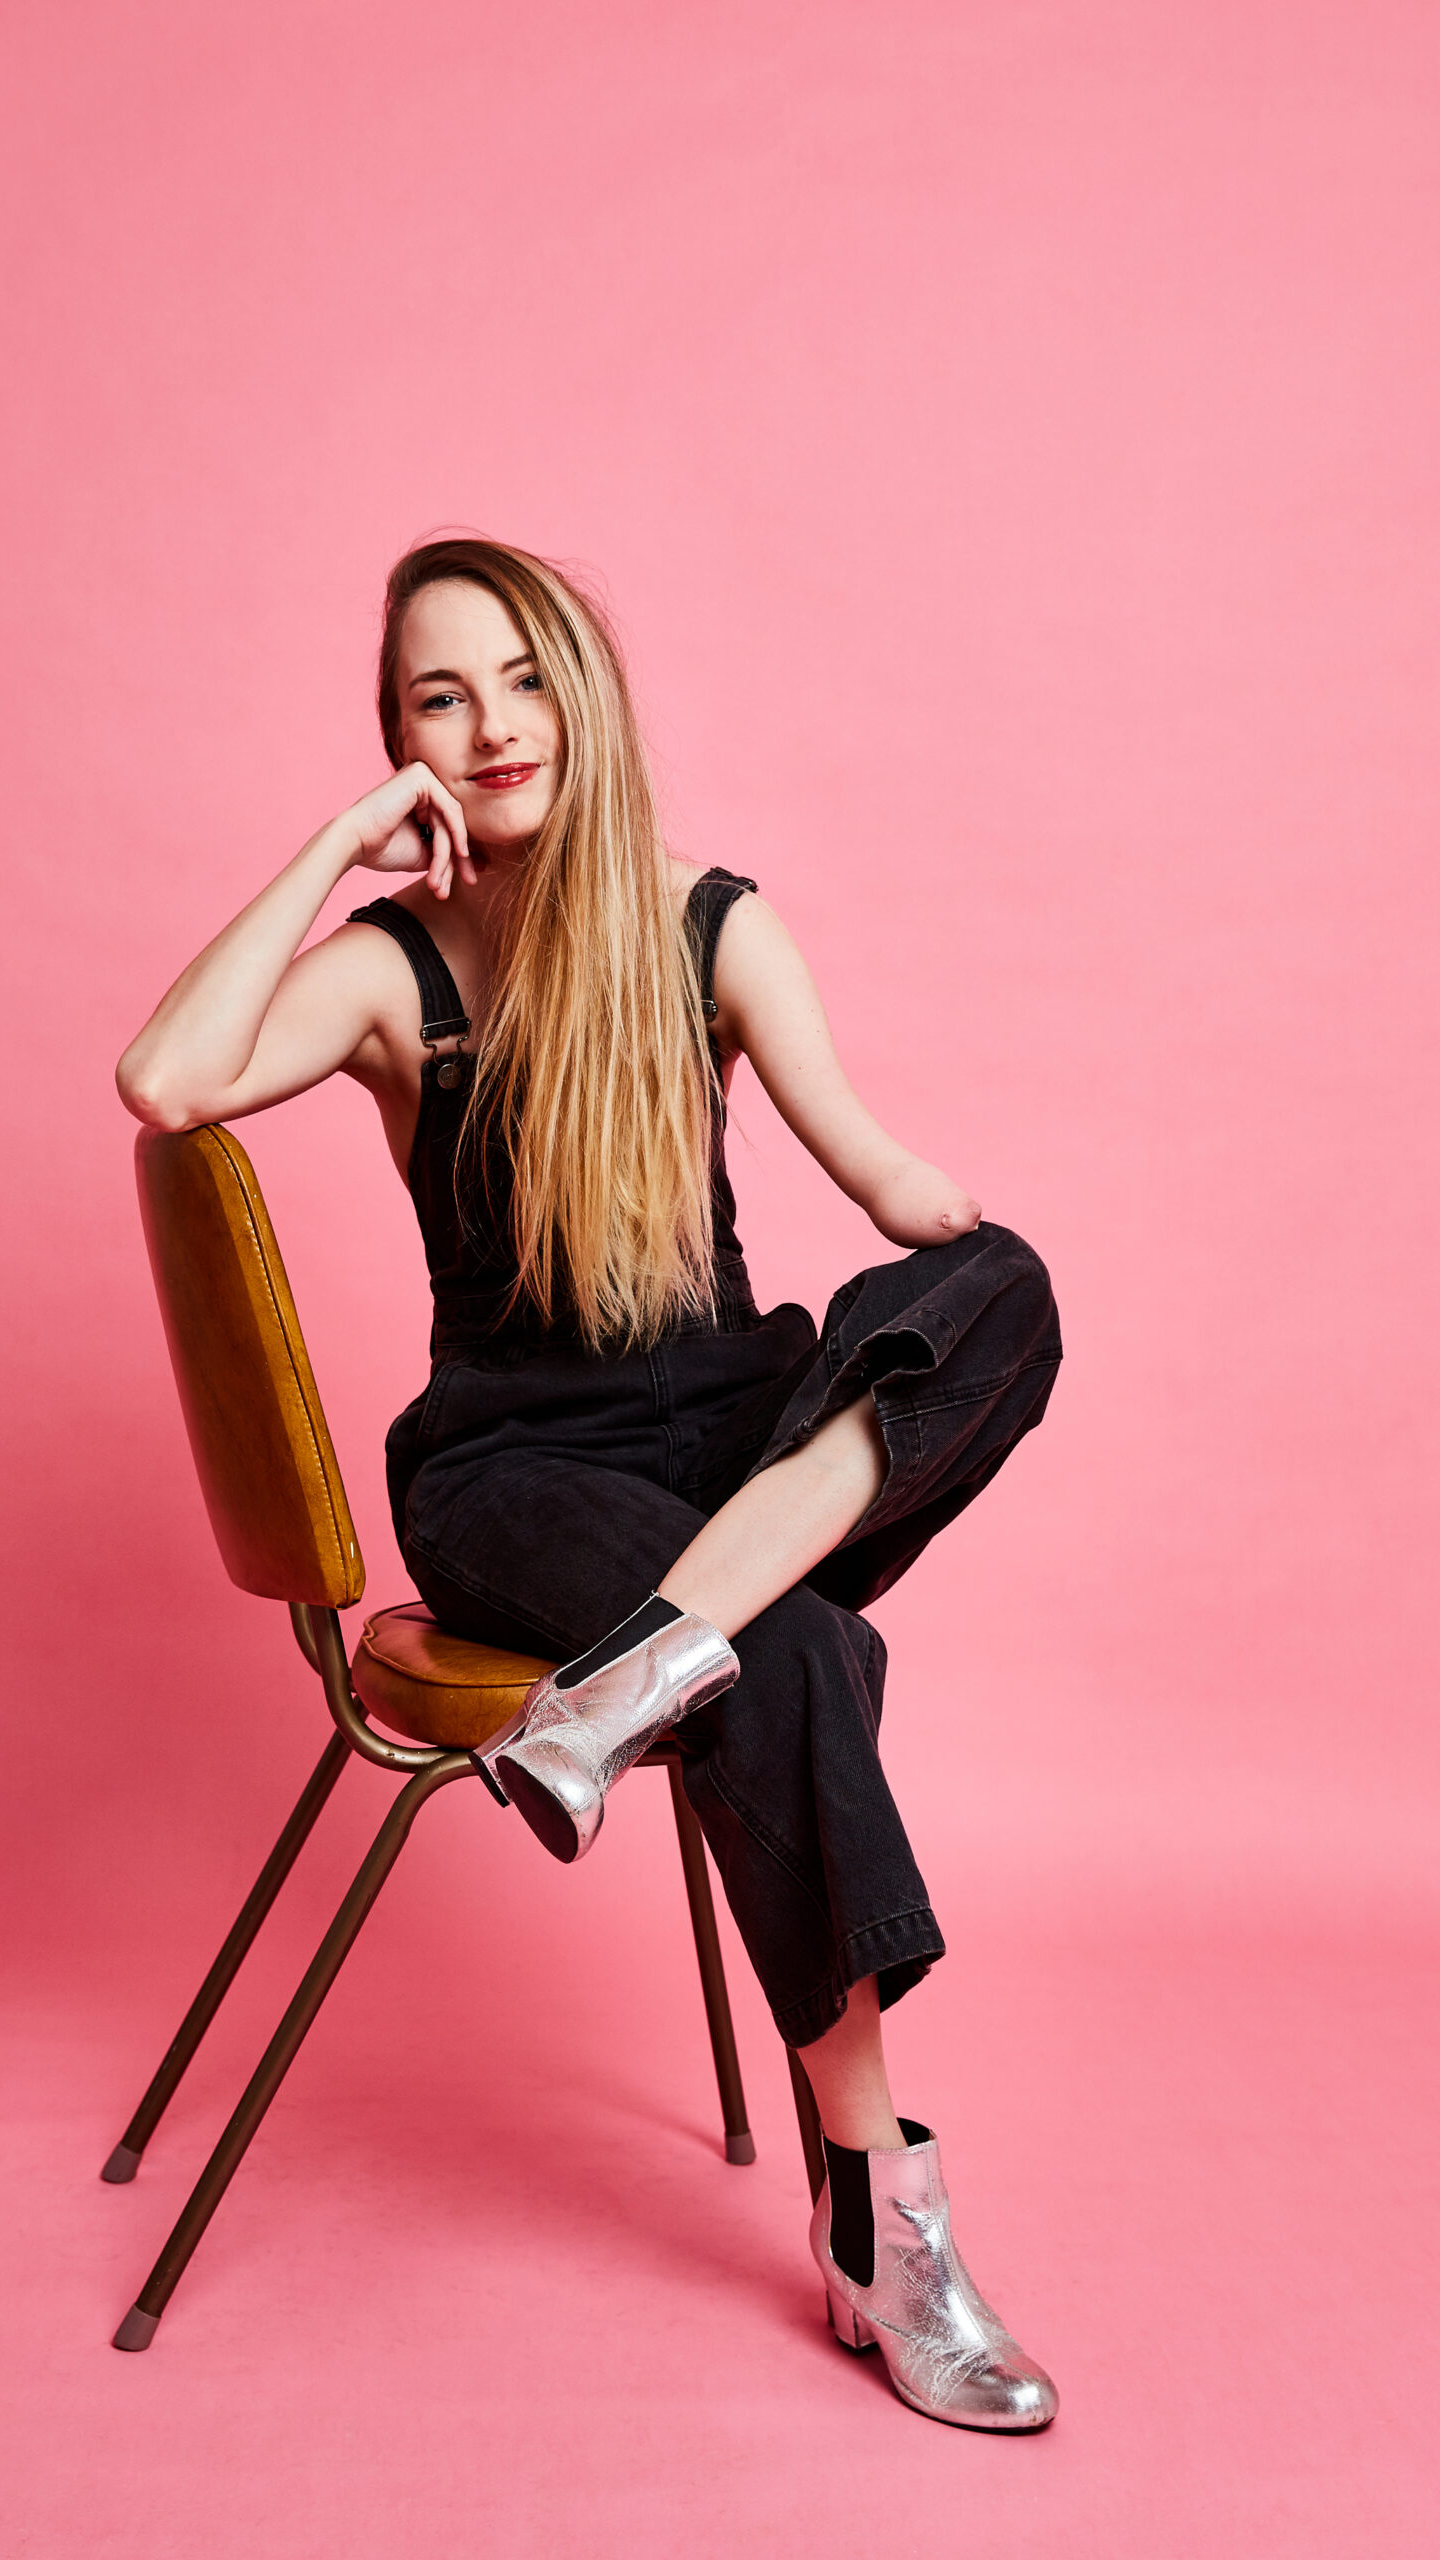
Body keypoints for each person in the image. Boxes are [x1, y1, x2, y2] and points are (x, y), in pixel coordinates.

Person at [116, 537, 1063, 2432]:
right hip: (514, 1471)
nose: (485, 728)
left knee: (1005, 1288)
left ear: (586, 695)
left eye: (518, 679)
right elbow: (167, 1075)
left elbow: (882, 1179)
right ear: (396, 741)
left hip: (735, 1443)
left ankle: (641, 1667)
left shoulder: (711, 926)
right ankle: (887, 2226)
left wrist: (945, 1269)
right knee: (782, 1662)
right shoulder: (390, 980)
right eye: (432, 699)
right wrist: (339, 842)